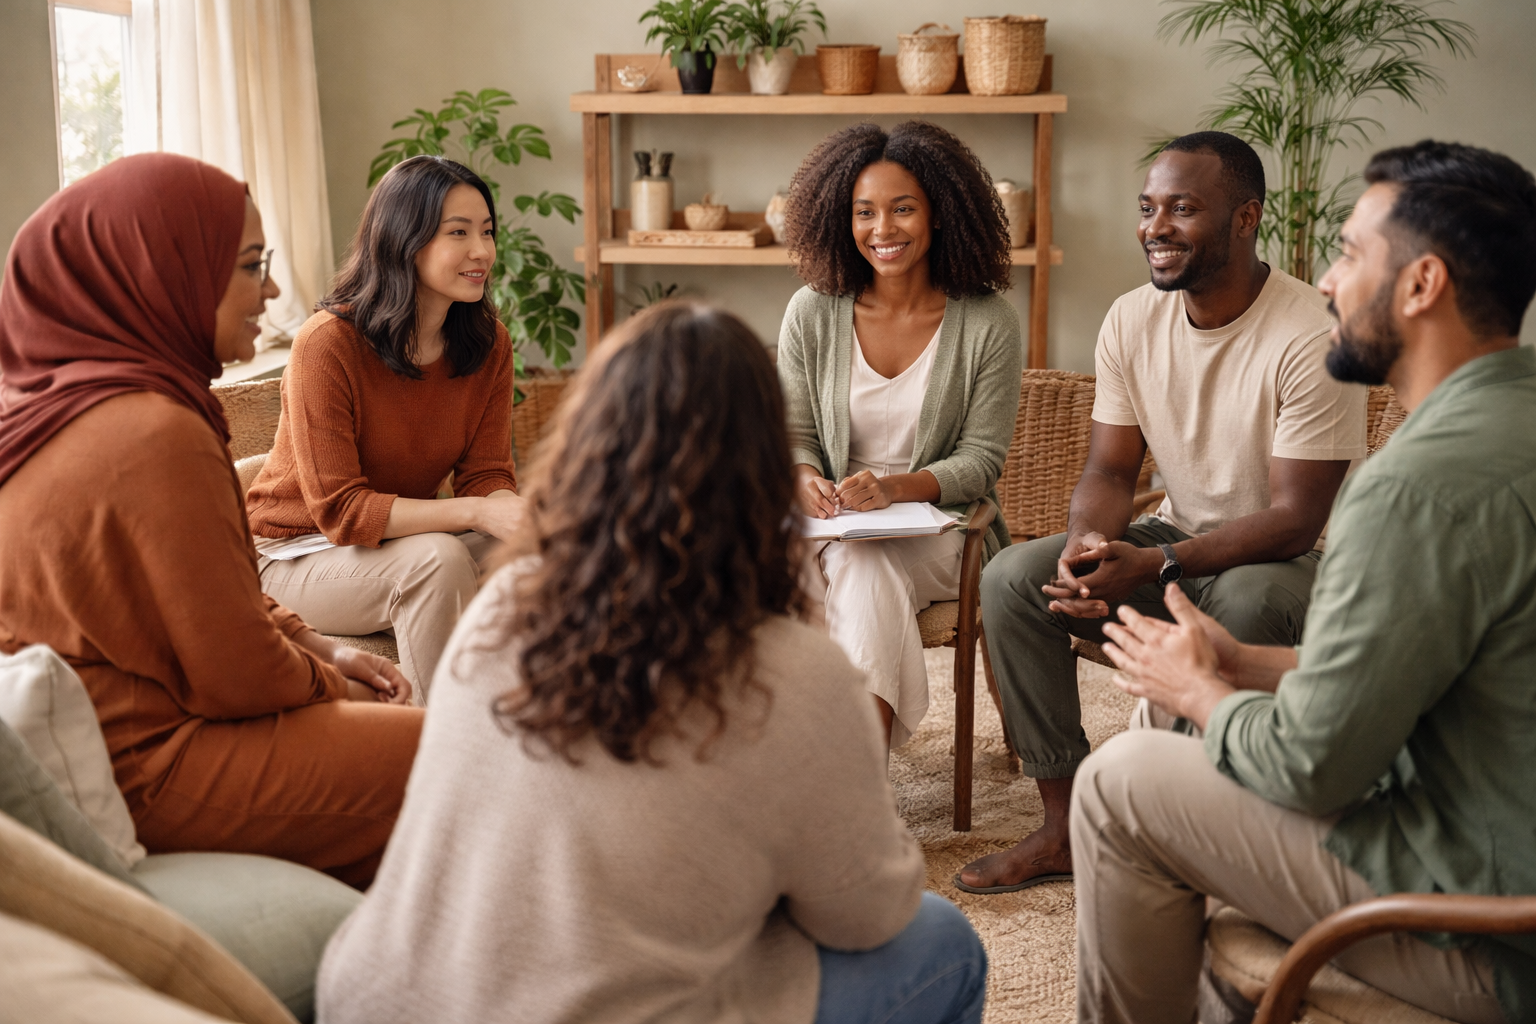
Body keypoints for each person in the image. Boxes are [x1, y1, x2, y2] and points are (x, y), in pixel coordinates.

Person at [317, 302, 988, 1024]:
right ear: (760, 470)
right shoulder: (794, 667)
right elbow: (867, 914)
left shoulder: (506, 599)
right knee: (942, 941)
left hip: (374, 1000)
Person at [1075, 140, 1536, 1024]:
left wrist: (1203, 695)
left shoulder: (1415, 491)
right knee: (1164, 723)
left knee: (1126, 778)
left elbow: (1313, 766)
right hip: (1496, 832)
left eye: (1351, 254)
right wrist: (1240, 665)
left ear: (1421, 284)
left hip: (1489, 932)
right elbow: (1446, 670)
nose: (1325, 281)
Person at [958, 131, 1367, 894]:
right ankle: (1066, 824)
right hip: (1175, 541)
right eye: (1148, 208)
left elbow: (1296, 521)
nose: (1155, 226)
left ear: (1245, 219)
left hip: (1295, 567)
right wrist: (1088, 547)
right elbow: (1112, 468)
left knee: (1246, 596)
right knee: (1016, 577)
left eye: (1183, 209)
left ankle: (1189, 827)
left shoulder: (1311, 334)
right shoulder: (1130, 319)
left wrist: (1151, 563)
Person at [0, 153, 423, 888]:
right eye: (251, 266)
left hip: (118, 741)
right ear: (159, 271)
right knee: (463, 756)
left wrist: (323, 647)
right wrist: (336, 686)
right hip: (153, 763)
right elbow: (239, 674)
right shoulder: (154, 433)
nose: (275, 290)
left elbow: (211, 593)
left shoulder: (45, 408)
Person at [778, 121, 1021, 749]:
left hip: (943, 528)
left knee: (859, 564)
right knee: (845, 564)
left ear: (940, 213)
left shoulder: (987, 318)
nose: (882, 230)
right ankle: (853, 776)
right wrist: (805, 478)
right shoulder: (811, 310)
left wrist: (895, 488)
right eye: (864, 212)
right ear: (842, 219)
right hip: (831, 525)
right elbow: (794, 433)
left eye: (902, 209)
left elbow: (981, 461)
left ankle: (845, 777)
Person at [246, 155, 520, 696]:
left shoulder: (489, 344)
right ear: (404, 241)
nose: (481, 251)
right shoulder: (327, 343)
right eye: (458, 233)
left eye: (486, 231)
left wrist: (512, 513)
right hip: (294, 555)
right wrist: (478, 512)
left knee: (542, 559)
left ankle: (532, 742)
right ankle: (437, 758)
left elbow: (487, 474)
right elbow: (341, 512)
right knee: (437, 563)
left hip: (396, 543)